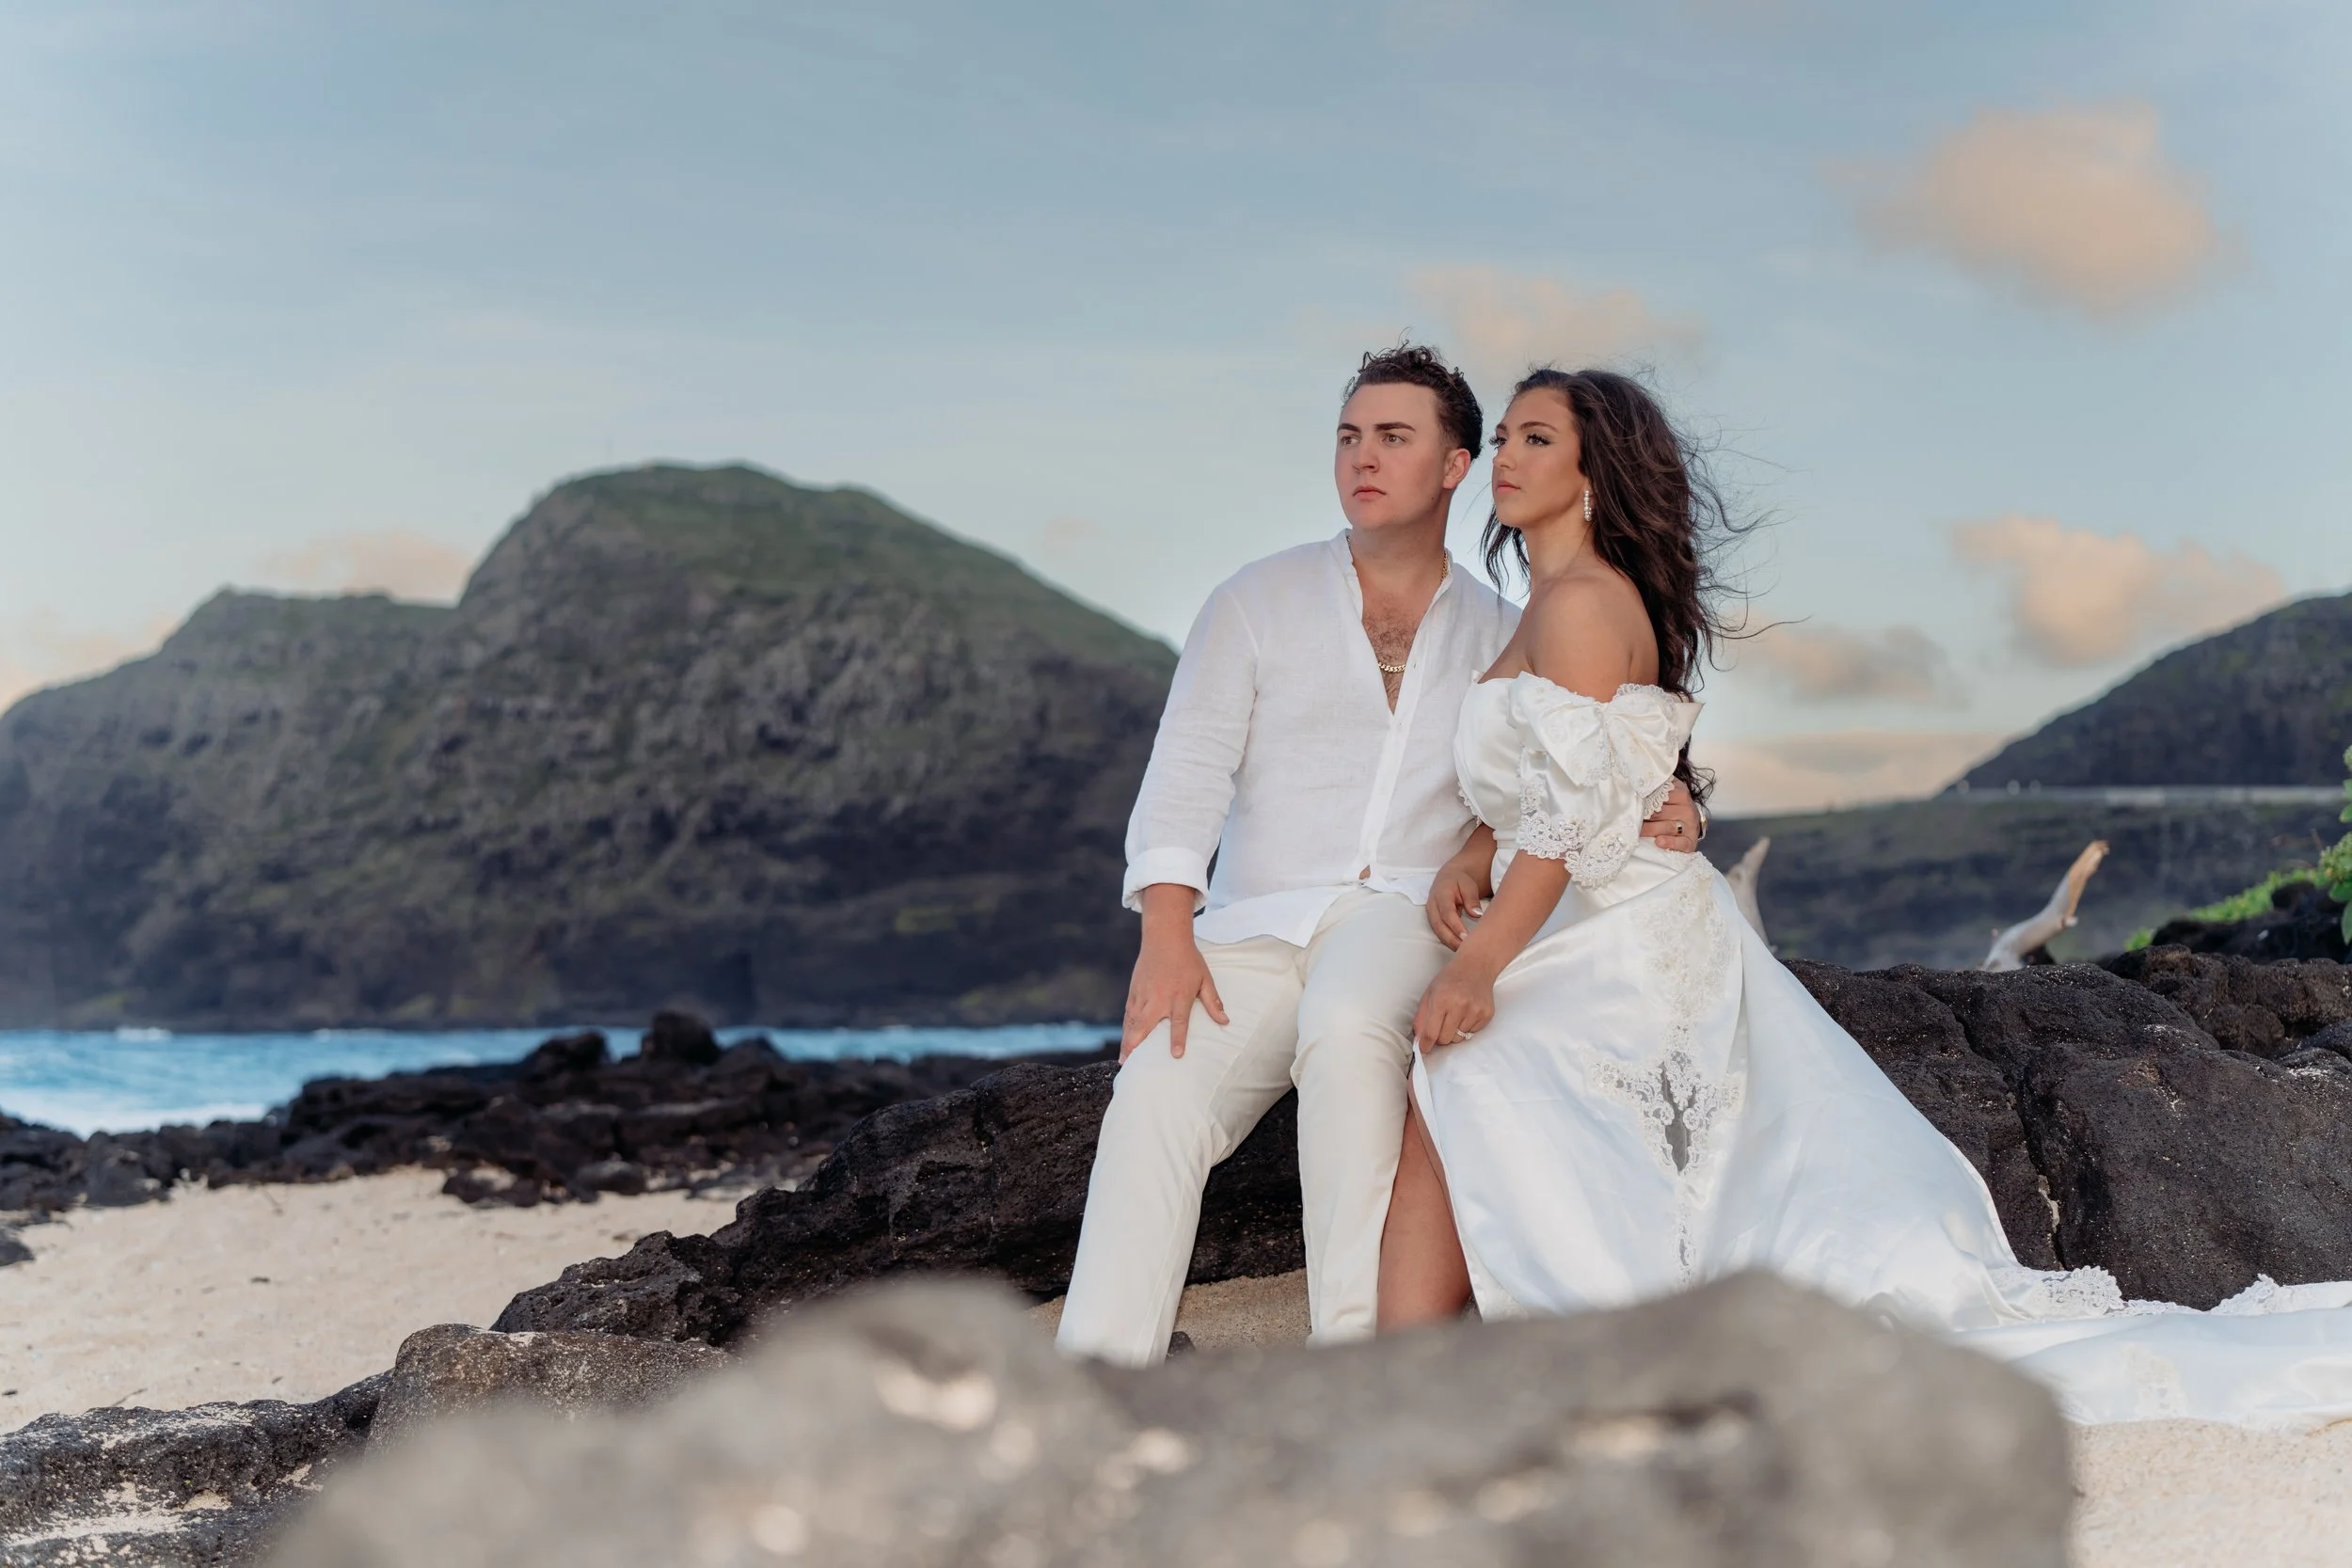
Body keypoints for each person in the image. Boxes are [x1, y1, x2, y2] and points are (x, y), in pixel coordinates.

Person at [1376, 365, 2352, 1427]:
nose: (1507, 461)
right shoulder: (1550, 605)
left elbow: (1567, 822)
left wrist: (1476, 963)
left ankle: (1407, 1381)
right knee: (1484, 1095)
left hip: (1617, 927)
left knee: (1471, 1073)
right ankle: (1405, 1376)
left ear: (1594, 472)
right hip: (1588, 913)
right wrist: (1473, 848)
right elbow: (1570, 775)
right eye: (1505, 439)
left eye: (1535, 441)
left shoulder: (1578, 606)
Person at [1054, 346, 1705, 1368]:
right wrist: (1167, 935)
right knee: (1153, 1091)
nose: (1362, 456)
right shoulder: (1252, 599)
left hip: (1403, 911)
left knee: (1351, 1023)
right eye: (1349, 435)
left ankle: (1349, 1366)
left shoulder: (1507, 624)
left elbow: (1572, 761)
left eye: (1393, 437)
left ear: (1452, 468)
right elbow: (1185, 772)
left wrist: (1666, 802)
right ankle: (1090, 1380)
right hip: (1253, 918)